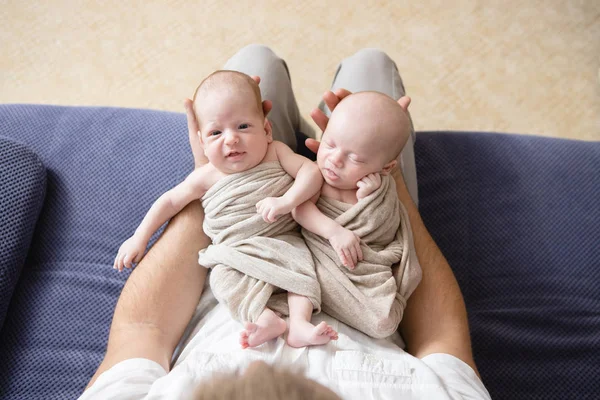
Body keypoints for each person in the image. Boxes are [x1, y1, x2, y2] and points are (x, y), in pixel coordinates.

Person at [81, 45, 491, 399]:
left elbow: (141, 332)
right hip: (353, 222)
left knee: (254, 62)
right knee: (372, 69)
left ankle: (286, 112)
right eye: (219, 132)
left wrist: (216, 187)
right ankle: (342, 127)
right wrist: (386, 176)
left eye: (246, 126)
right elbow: (442, 336)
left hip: (255, 235)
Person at [112, 70, 337, 350]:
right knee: (222, 278)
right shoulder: (206, 175)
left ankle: (300, 324)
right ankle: (265, 319)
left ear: (266, 130)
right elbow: (169, 202)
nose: (230, 139)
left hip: (283, 241)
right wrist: (139, 237)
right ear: (203, 142)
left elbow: (310, 171)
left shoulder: (276, 152)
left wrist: (287, 201)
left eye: (243, 126)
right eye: (216, 132)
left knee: (302, 269)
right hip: (236, 252)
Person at [293, 91, 422, 339]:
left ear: (386, 168)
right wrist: (334, 232)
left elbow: (384, 228)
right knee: (299, 273)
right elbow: (300, 209)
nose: (334, 160)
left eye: (355, 158)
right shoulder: (315, 175)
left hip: (366, 266)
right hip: (326, 257)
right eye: (329, 144)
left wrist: (371, 198)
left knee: (383, 318)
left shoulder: (380, 186)